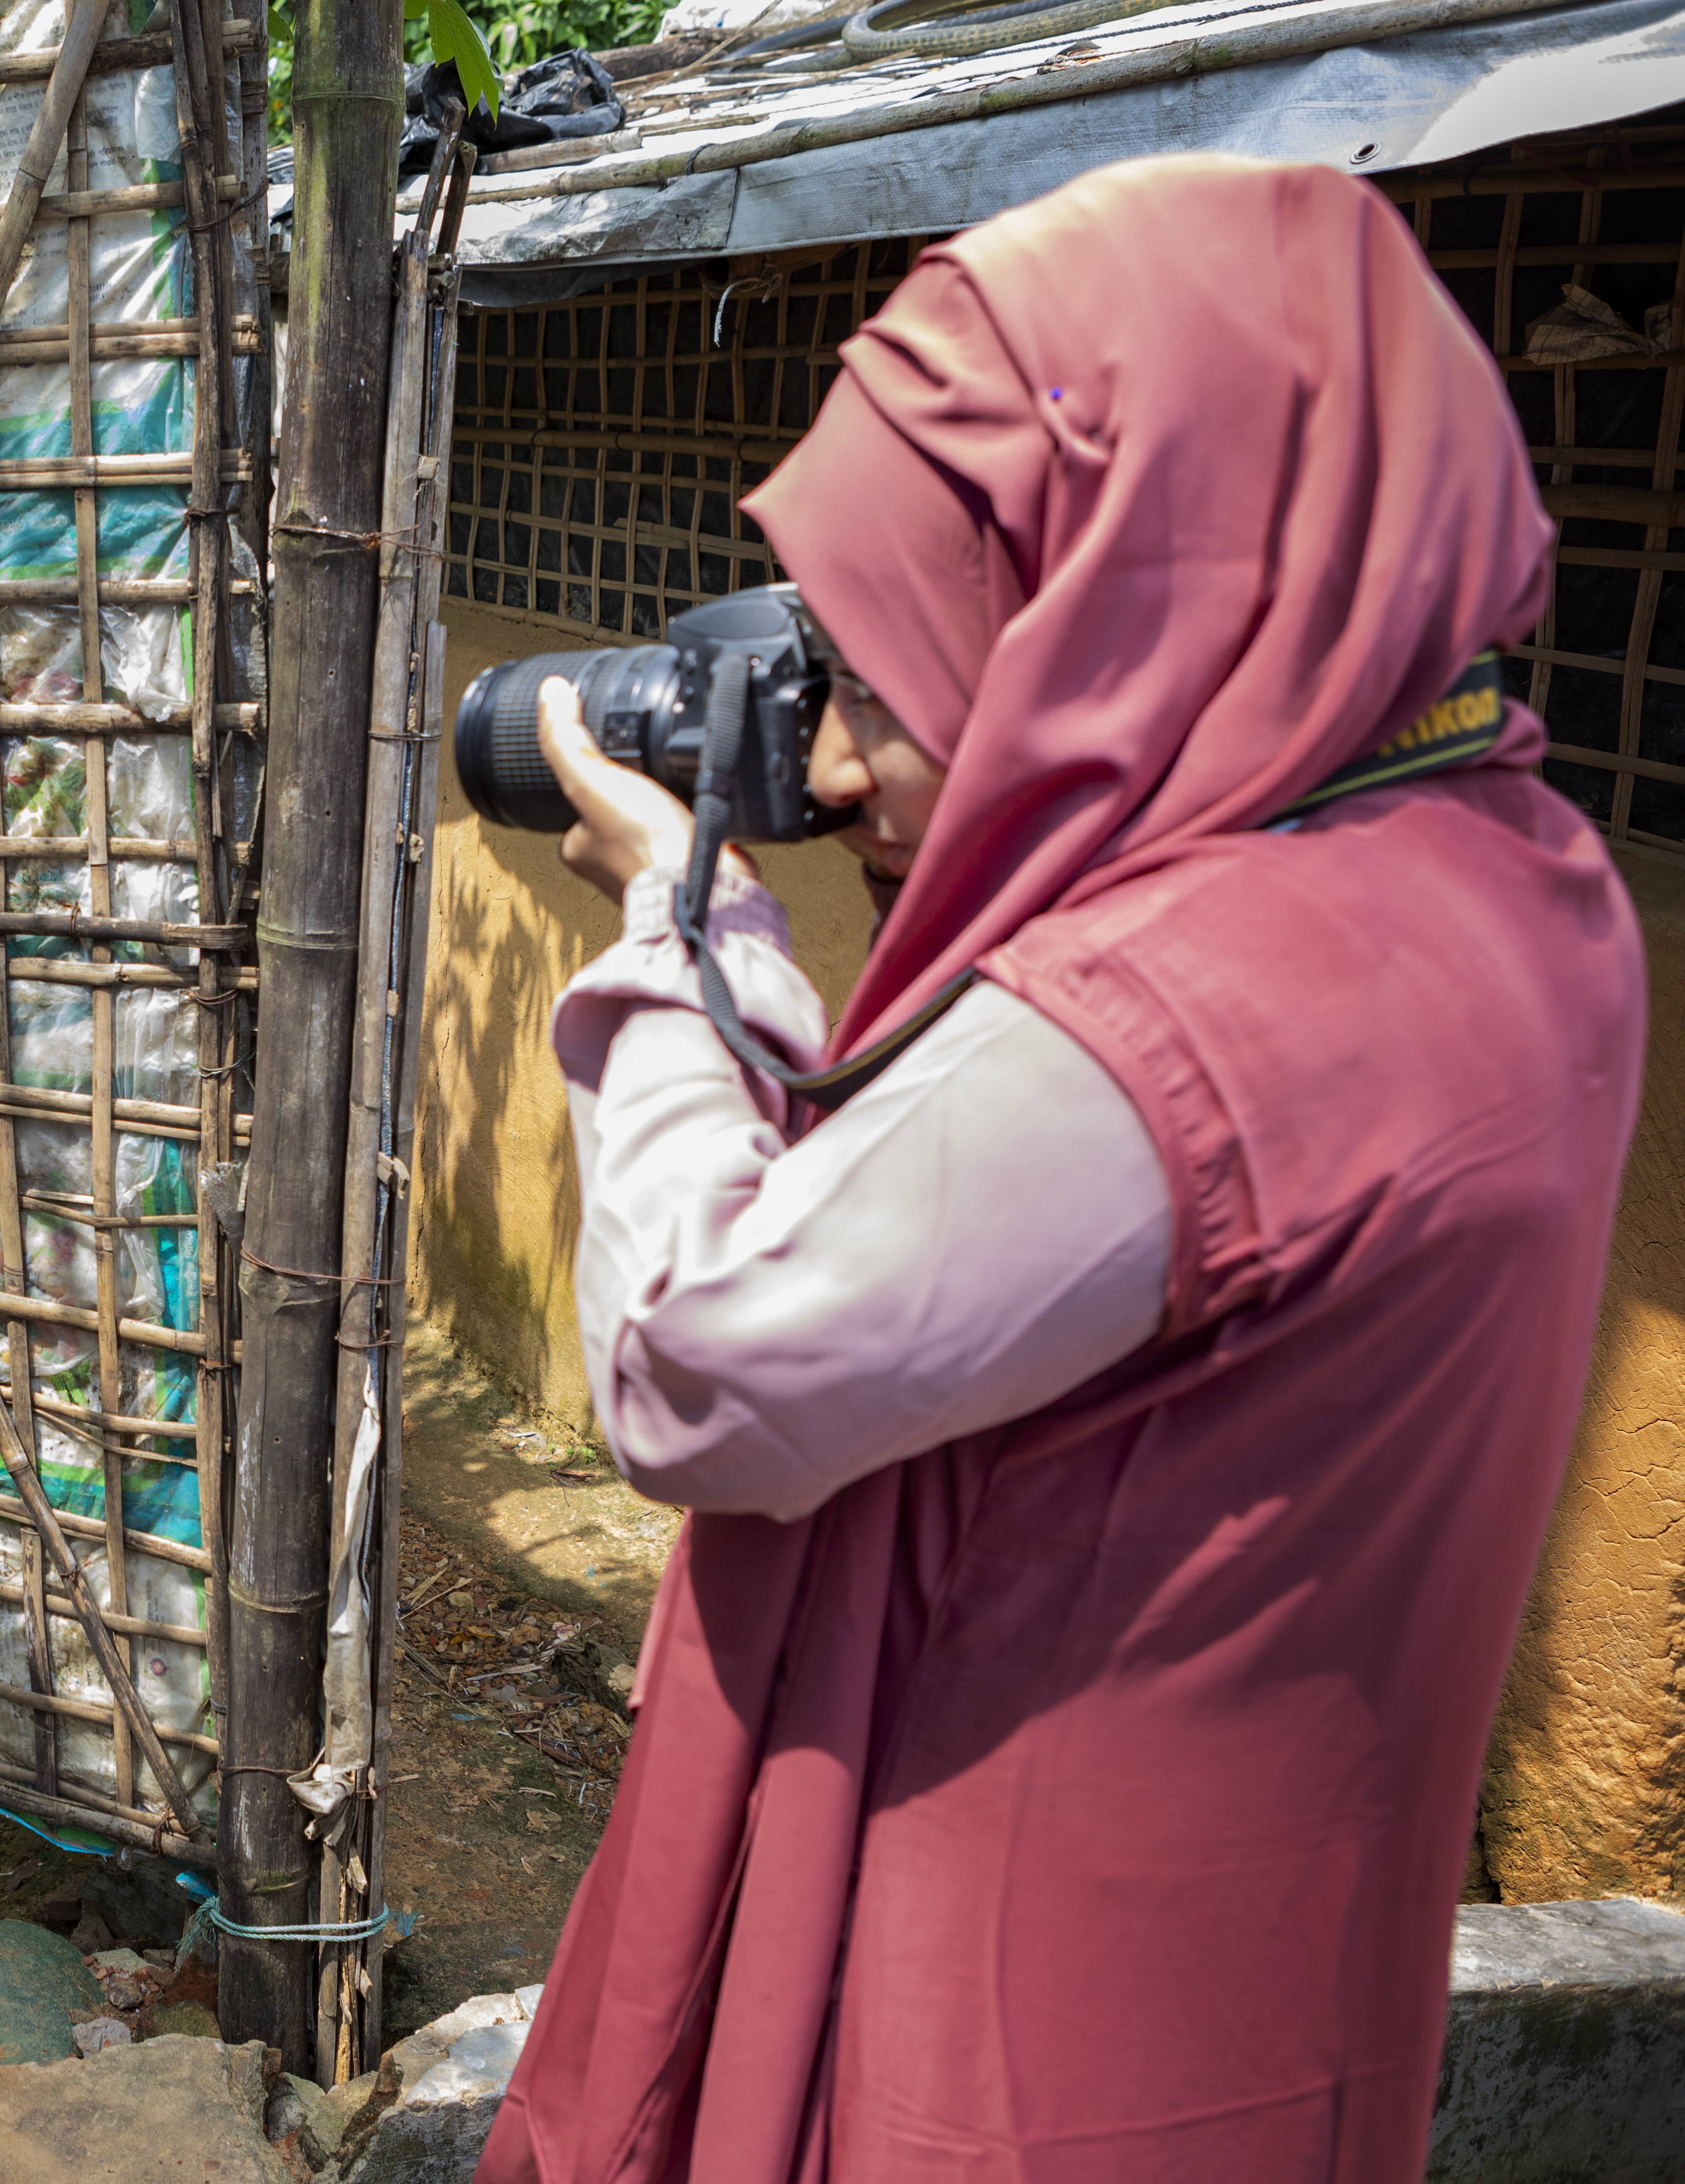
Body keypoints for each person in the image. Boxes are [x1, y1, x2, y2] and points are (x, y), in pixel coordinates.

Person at [476, 157, 1646, 2181]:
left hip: (1004, 2027)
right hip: (1266, 1982)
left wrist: (688, 945)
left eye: (892, 674)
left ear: (1105, 614)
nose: (831, 765)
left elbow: (702, 1369)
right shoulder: (1523, 878)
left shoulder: (1179, 1014)